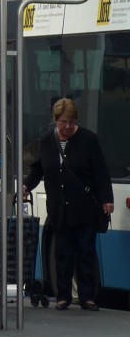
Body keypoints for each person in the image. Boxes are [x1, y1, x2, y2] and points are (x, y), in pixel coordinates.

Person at [22, 98, 114, 311]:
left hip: (85, 208)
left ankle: (87, 297)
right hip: (59, 208)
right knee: (62, 253)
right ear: (55, 121)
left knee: (85, 252)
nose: (67, 127)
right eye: (63, 122)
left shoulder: (88, 140)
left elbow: (100, 171)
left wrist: (106, 199)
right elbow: (38, 169)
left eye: (71, 122)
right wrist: (27, 186)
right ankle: (62, 297)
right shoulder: (46, 142)